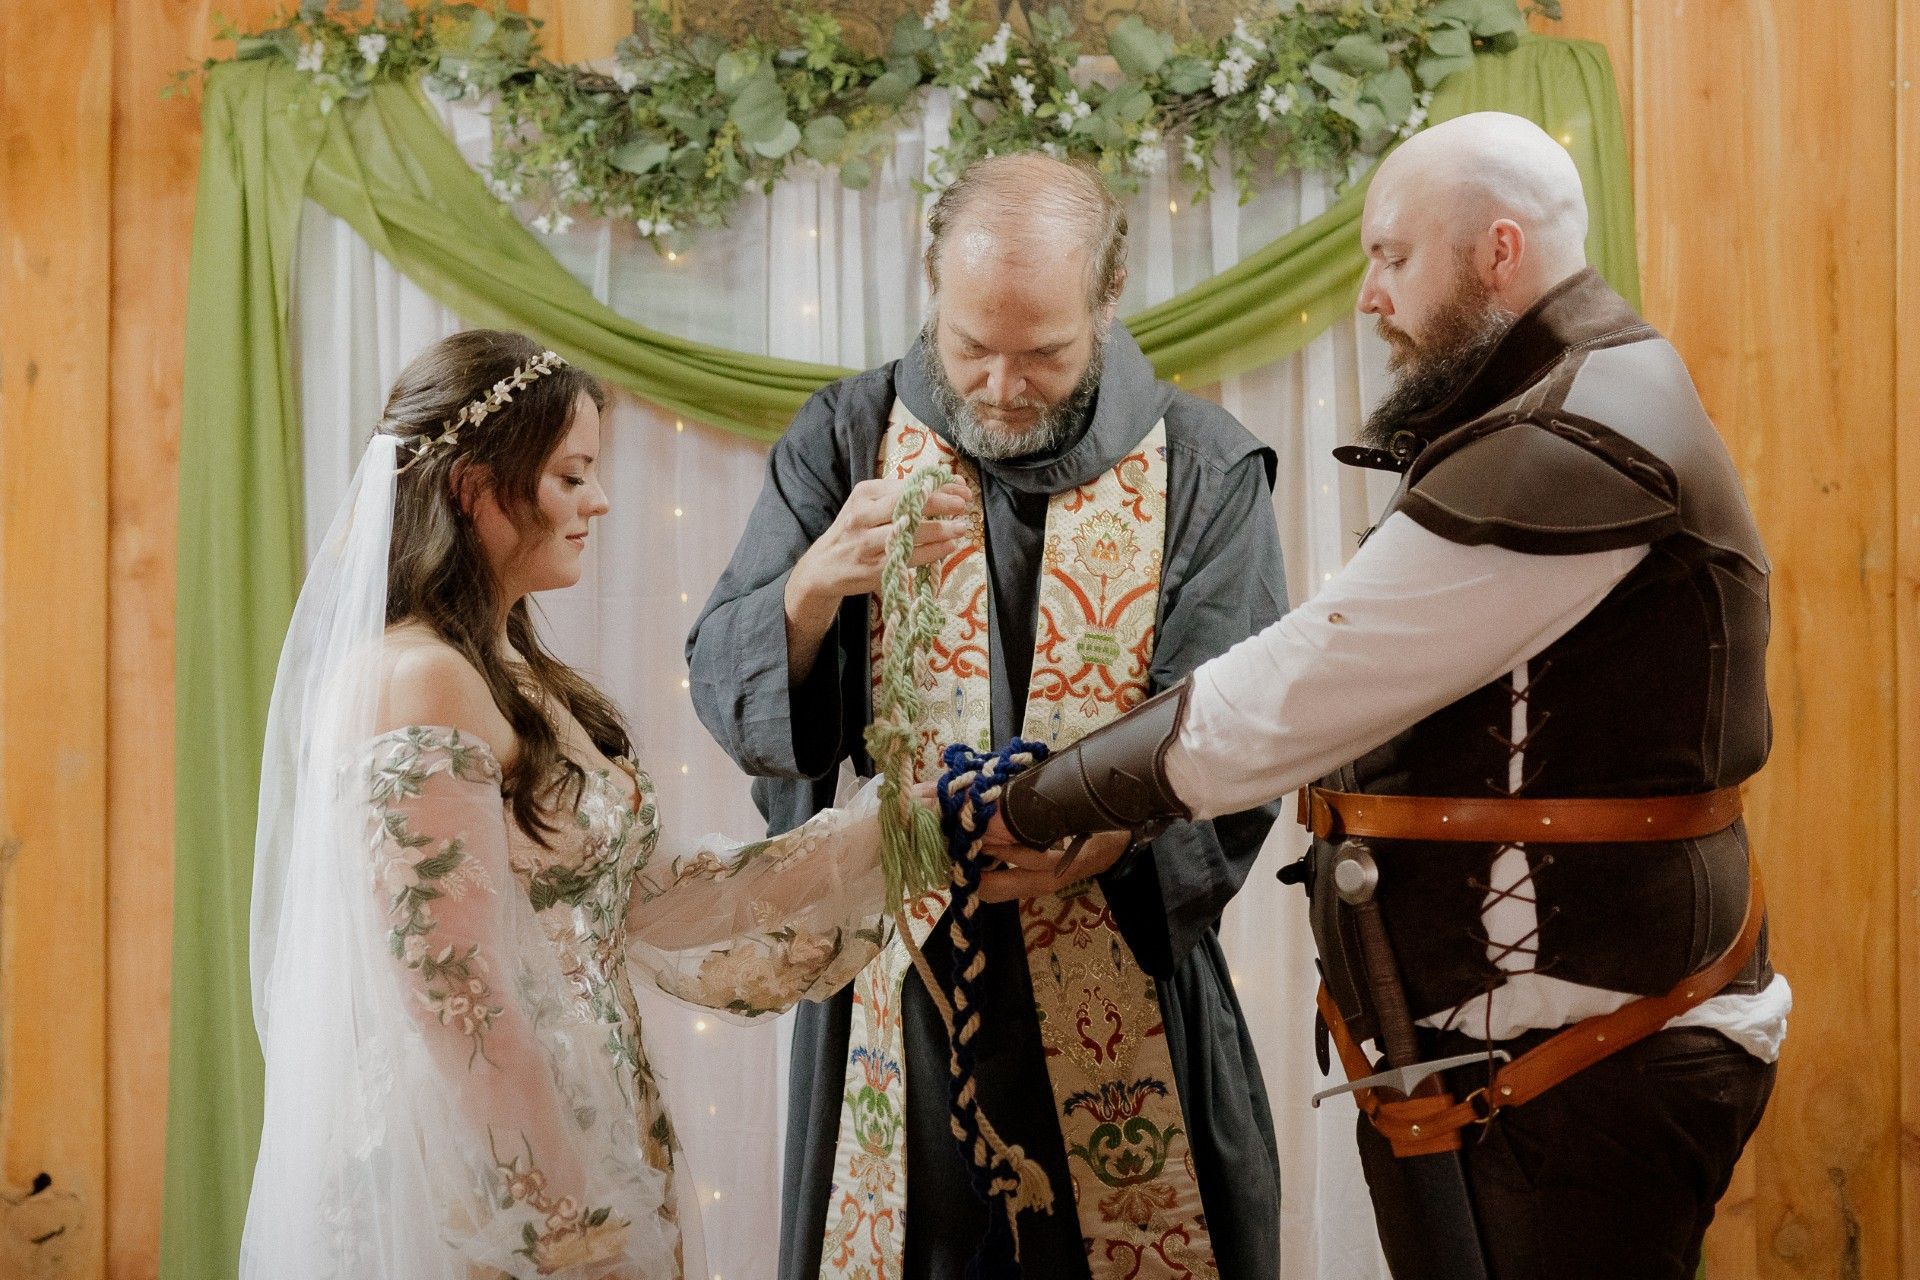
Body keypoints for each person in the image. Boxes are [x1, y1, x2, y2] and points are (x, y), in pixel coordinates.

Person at [980, 112, 1788, 1279]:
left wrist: (1037, 799)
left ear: (1499, 251)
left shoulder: (1577, 431)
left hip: (1591, 1065)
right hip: (1548, 1057)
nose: (1371, 295)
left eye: (1393, 256)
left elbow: (1289, 695)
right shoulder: (1589, 391)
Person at [687, 152, 1287, 1279]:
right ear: (931, 287)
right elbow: (726, 668)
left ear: (1107, 303)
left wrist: (1105, 836)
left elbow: (1245, 727)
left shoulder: (1204, 465)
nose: (1004, 386)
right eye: (972, 348)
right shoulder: (845, 434)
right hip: (897, 994)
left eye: (1045, 354)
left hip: (1124, 972)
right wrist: (811, 589)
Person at [242, 329, 903, 1280]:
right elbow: (455, 996)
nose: (599, 500)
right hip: (494, 1178)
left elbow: (645, 894)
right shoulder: (417, 682)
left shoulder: (502, 665)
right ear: (474, 489)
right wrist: (570, 1225)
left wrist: (891, 829)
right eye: (571, 476)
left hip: (586, 1120)